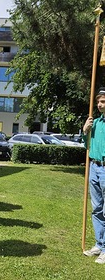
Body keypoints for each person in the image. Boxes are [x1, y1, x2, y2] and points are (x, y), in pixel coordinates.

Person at [83, 87, 105, 264]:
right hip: (94, 167)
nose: (99, 104)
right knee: (97, 208)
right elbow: (87, 146)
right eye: (98, 101)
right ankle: (100, 244)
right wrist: (85, 131)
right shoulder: (95, 122)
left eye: (103, 101)